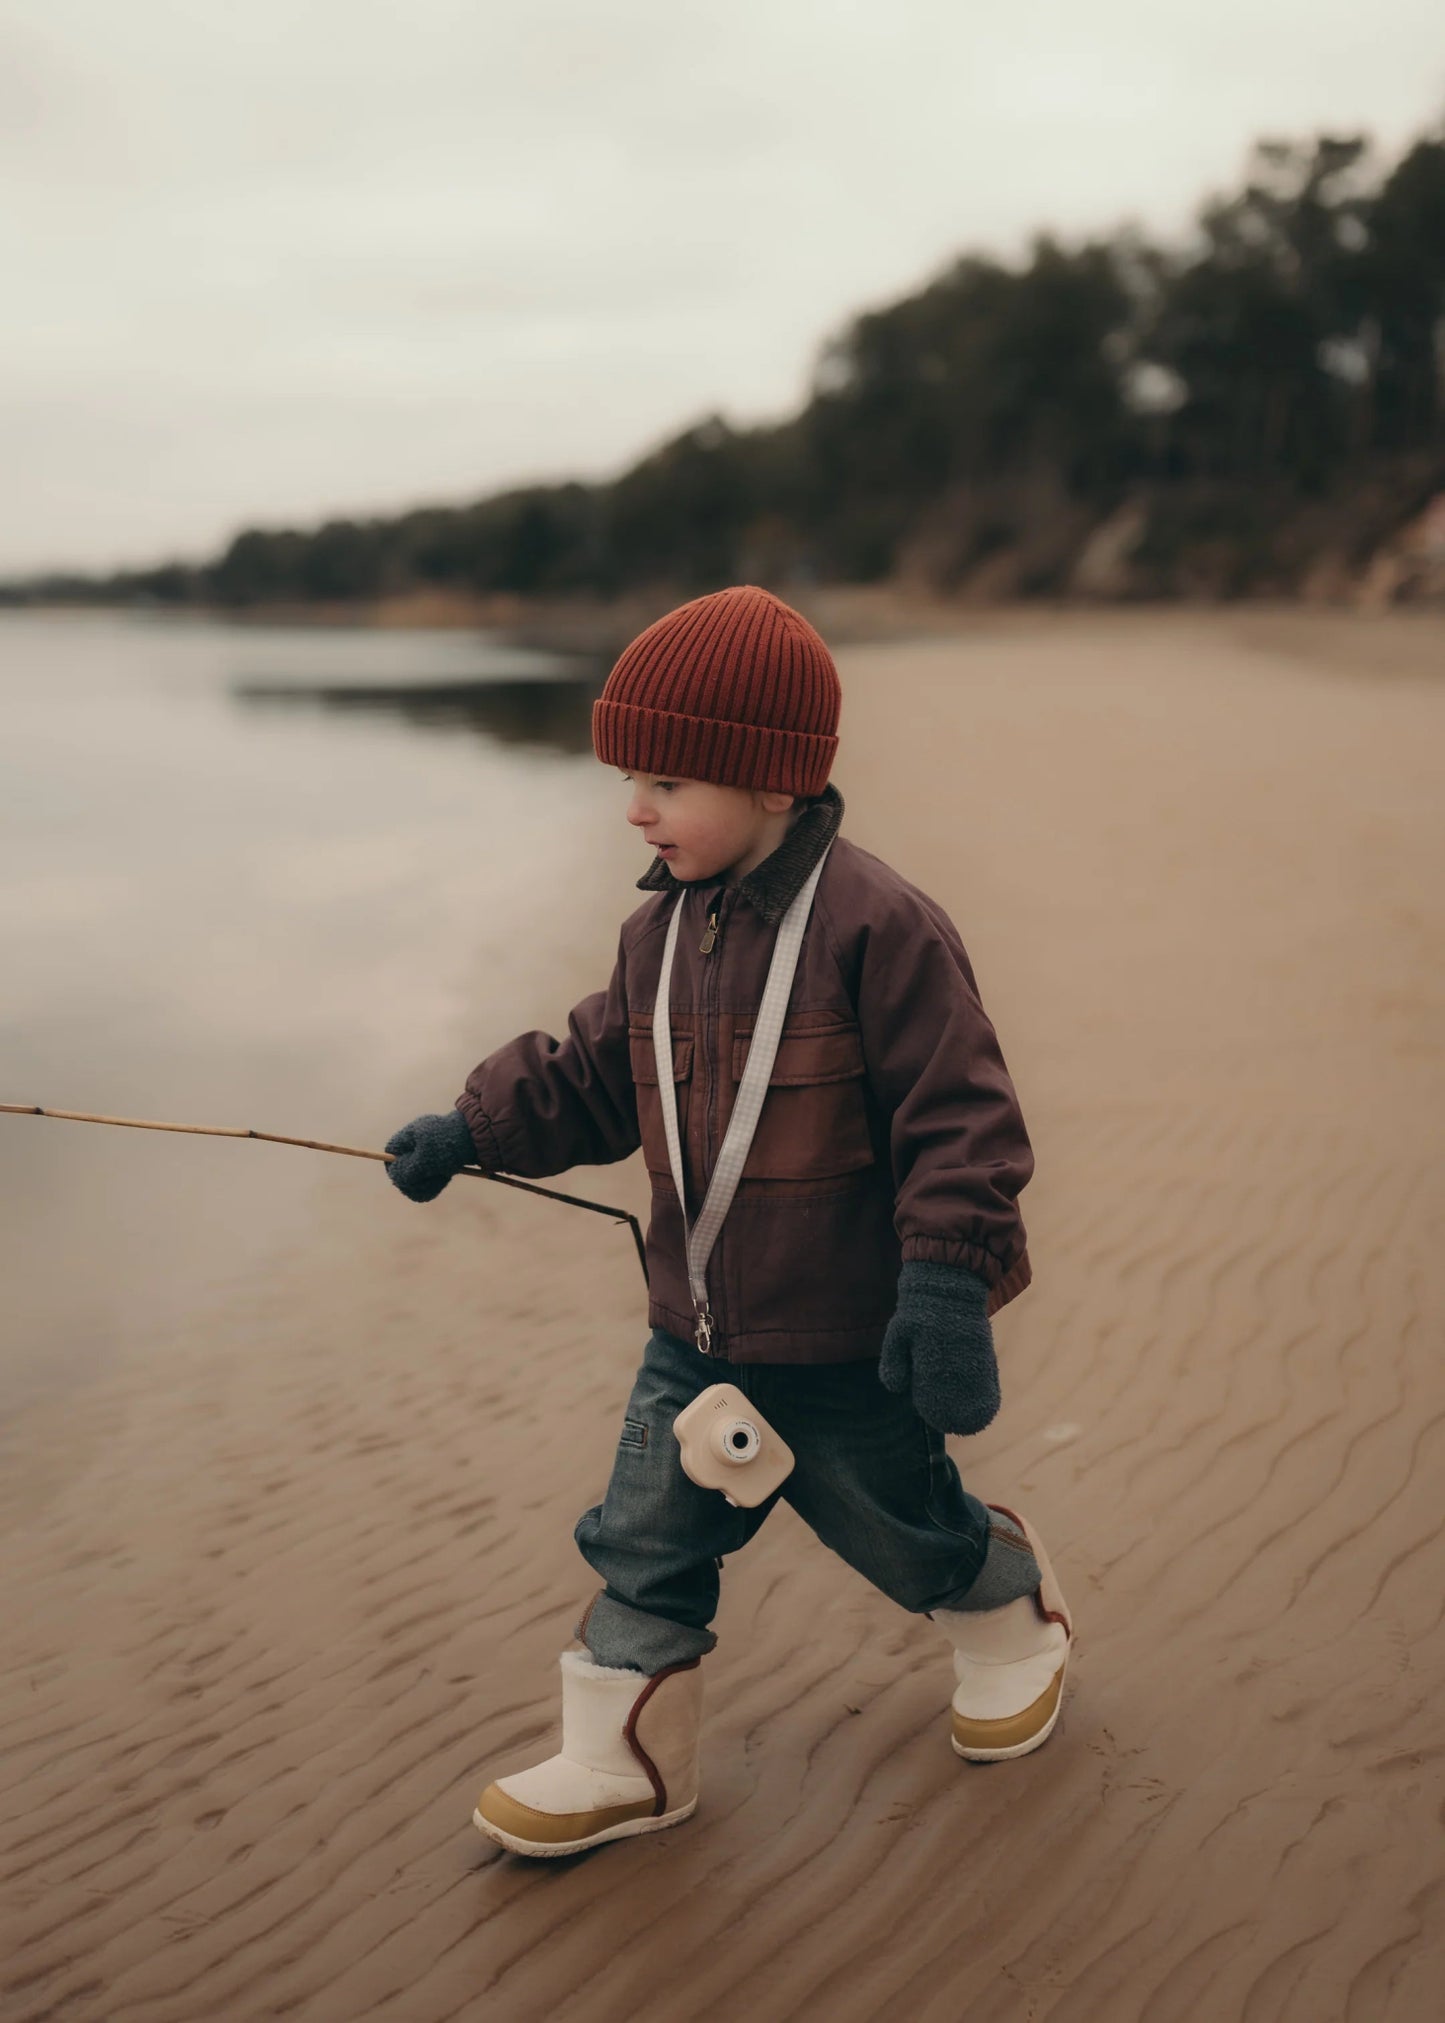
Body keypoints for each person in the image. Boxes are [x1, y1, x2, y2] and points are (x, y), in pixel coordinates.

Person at [384, 585, 1072, 1859]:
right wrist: (473, 1127)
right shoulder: (657, 932)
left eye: (666, 781)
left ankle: (1003, 1610)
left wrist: (944, 1284)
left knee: (898, 1525)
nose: (635, 809)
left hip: (845, 1333)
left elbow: (960, 1118)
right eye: (628, 780)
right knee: (643, 1535)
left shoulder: (879, 928)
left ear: (770, 780)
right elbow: (593, 1072)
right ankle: (625, 1757)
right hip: (691, 1332)